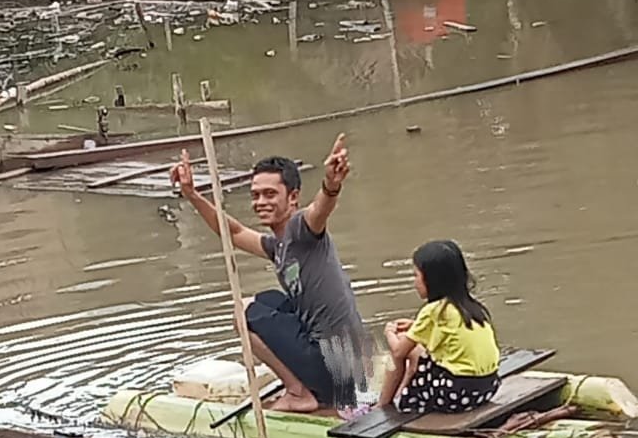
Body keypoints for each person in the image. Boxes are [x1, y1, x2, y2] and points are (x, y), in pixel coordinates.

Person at [170, 135, 367, 412]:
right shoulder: (278, 246)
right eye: (256, 195)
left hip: (338, 368)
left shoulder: (301, 230)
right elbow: (233, 232)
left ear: (293, 197)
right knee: (268, 300)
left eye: (270, 194)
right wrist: (192, 194)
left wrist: (331, 185)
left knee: (243, 312)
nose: (260, 202)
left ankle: (298, 393)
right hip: (344, 365)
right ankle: (303, 384)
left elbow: (320, 209)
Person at [378, 239, 500, 412]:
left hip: (456, 394)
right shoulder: (471, 307)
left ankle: (383, 405)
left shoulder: (433, 310)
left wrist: (389, 333)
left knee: (404, 347)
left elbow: (399, 351)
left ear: (431, 280)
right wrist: (415, 326)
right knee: (417, 350)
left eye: (416, 276)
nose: (414, 282)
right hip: (487, 388)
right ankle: (400, 393)